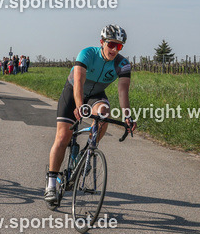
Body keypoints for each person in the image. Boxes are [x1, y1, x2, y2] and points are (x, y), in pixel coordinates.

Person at [44, 25, 136, 205]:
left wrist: (128, 116)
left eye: (119, 46)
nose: (114, 50)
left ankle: (87, 152)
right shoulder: (86, 54)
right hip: (73, 92)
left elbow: (123, 91)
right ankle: (51, 184)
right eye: (111, 44)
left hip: (96, 95)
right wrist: (79, 107)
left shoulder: (123, 64)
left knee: (103, 113)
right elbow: (78, 82)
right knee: (63, 137)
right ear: (102, 42)